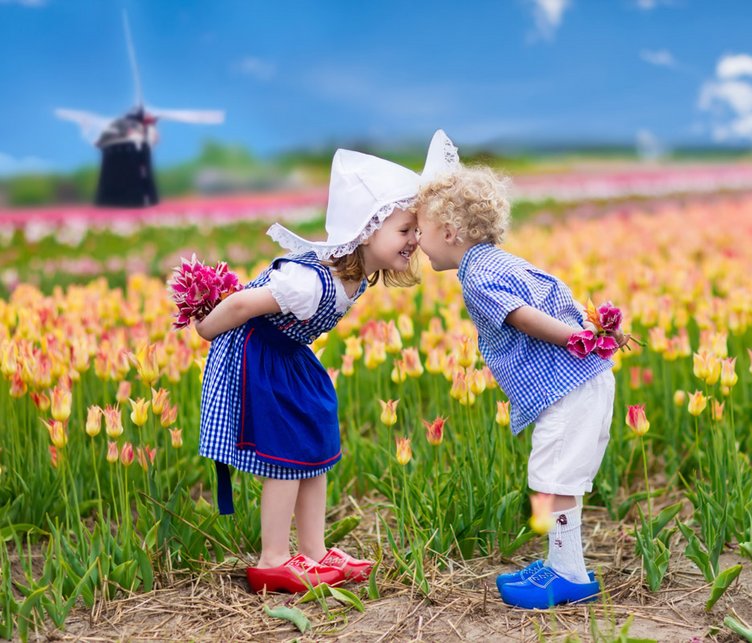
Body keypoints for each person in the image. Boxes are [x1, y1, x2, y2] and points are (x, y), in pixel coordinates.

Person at [414, 130, 628, 609]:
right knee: (556, 479)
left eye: (420, 230)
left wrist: (576, 338)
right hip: (582, 382)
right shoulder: (503, 261)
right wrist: (597, 330)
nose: (417, 242)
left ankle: (568, 575)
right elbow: (558, 295)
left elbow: (519, 316)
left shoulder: (479, 277)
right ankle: (560, 563)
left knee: (552, 481)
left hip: (568, 387)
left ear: (449, 232)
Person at [195, 148, 422, 593]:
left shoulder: (354, 278)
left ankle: (315, 552)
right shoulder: (308, 281)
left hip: (291, 357)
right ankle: (273, 558)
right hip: (260, 358)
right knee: (286, 457)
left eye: (415, 229)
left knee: (314, 448)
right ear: (366, 231)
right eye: (404, 229)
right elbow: (244, 303)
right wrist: (205, 328)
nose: (413, 238)